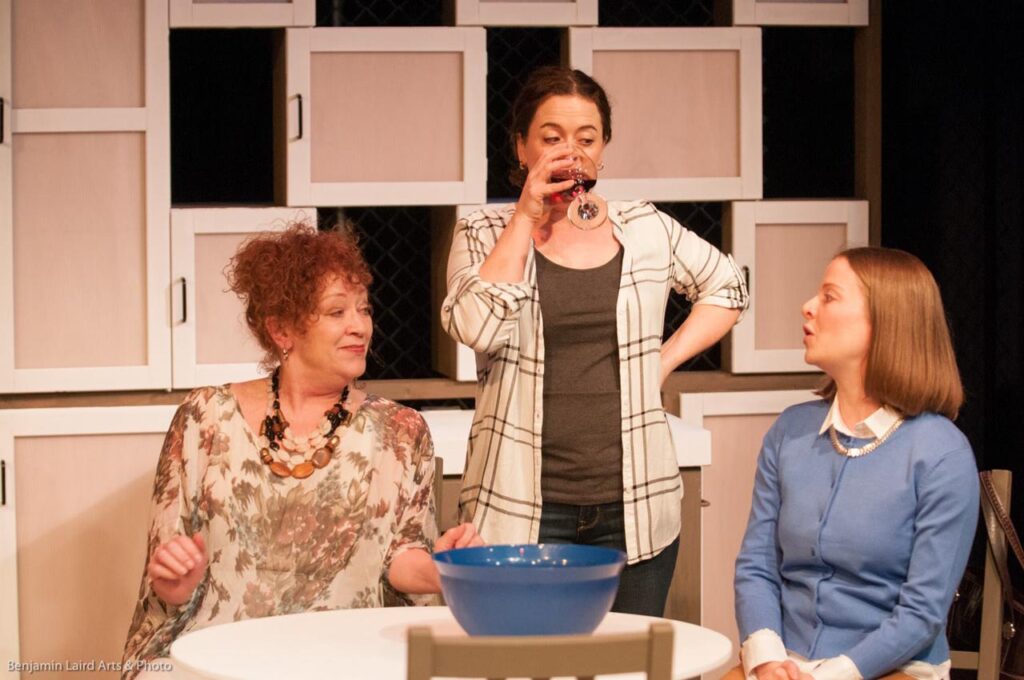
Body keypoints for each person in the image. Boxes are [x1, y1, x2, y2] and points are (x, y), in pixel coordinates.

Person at [441, 66, 748, 616]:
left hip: (635, 502)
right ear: (521, 148)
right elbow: (476, 326)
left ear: (603, 150)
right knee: (523, 663)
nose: (570, 153)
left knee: (624, 667)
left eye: (586, 139)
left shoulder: (644, 227)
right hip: (519, 505)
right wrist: (526, 216)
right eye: (552, 138)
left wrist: (662, 361)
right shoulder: (483, 231)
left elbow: (729, 285)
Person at [121, 224, 481, 679]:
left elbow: (401, 557)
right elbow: (168, 572)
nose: (360, 326)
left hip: (345, 658)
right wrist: (175, 582)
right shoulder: (204, 417)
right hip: (218, 653)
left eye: (364, 310)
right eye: (336, 312)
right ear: (281, 330)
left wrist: (448, 569)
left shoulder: (401, 430)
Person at [731, 247, 978, 680]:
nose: (807, 306)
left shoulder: (941, 453)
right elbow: (757, 566)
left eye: (829, 296)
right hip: (788, 662)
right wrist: (767, 657)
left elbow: (922, 613)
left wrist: (829, 676)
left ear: (885, 323)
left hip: (891, 666)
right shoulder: (790, 431)